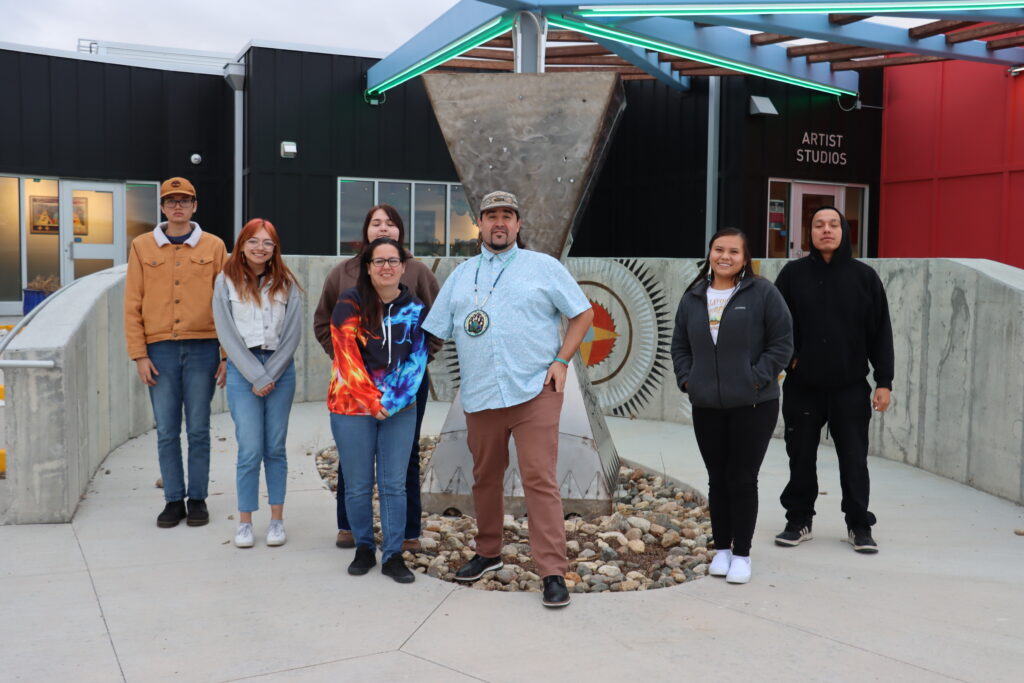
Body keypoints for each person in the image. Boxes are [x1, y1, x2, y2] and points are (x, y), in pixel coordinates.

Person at [422, 190, 594, 609]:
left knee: (539, 479)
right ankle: (488, 552)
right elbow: (434, 332)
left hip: (535, 390)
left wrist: (562, 361)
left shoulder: (543, 267)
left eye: (507, 216)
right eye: (491, 216)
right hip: (480, 395)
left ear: (518, 224)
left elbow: (582, 313)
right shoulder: (462, 275)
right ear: (479, 223)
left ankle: (552, 570)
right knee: (485, 477)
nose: (499, 223)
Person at [314, 205, 440, 552]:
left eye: (390, 223)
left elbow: (433, 327)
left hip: (405, 389)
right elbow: (328, 326)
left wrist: (398, 392)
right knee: (354, 470)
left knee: (401, 464)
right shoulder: (344, 278)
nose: (386, 267)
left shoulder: (417, 276)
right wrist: (344, 366)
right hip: (352, 392)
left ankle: (405, 535)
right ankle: (353, 532)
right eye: (376, 223)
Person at [671, 228, 793, 584]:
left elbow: (782, 343)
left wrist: (756, 377)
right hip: (707, 404)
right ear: (710, 253)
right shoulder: (694, 296)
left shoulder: (763, 293)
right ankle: (721, 549)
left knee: (742, 478)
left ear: (745, 258)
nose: (725, 256)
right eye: (718, 249)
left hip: (754, 404)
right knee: (716, 479)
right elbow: (680, 345)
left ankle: (742, 553)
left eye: (733, 251)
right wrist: (688, 380)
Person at [773, 206, 894, 553]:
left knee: (854, 459)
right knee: (800, 456)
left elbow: (880, 332)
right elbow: (777, 326)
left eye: (833, 224)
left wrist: (884, 381)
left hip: (850, 388)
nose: (826, 230)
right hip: (803, 386)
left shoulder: (864, 277)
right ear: (809, 233)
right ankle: (799, 520)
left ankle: (858, 524)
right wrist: (788, 360)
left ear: (844, 231)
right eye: (818, 225)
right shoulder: (792, 275)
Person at [124, 177, 227, 528]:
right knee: (167, 429)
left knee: (198, 428)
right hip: (160, 351)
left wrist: (226, 356)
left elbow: (226, 304)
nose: (178, 206)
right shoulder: (141, 246)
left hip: (203, 349)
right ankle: (173, 500)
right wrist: (139, 354)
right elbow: (132, 303)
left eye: (184, 200)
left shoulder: (214, 247)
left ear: (195, 206)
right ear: (163, 208)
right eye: (171, 201)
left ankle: (197, 498)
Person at [328, 237, 428, 583]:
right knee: (356, 484)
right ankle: (364, 547)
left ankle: (393, 554)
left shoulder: (415, 307)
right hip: (350, 405)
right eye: (378, 261)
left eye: (393, 260)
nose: (386, 267)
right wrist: (372, 402)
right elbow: (346, 358)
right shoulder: (349, 303)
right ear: (368, 268)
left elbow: (416, 362)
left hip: (399, 409)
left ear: (403, 266)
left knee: (393, 484)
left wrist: (391, 403)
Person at [212, 218, 302, 548]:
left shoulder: (286, 283)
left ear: (274, 247)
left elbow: (293, 334)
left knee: (275, 448)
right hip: (242, 370)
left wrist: (270, 375)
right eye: (254, 241)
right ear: (242, 244)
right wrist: (255, 375)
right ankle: (246, 522)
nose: (260, 248)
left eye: (267, 242)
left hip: (279, 370)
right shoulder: (226, 281)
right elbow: (226, 332)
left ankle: (276, 521)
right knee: (250, 449)